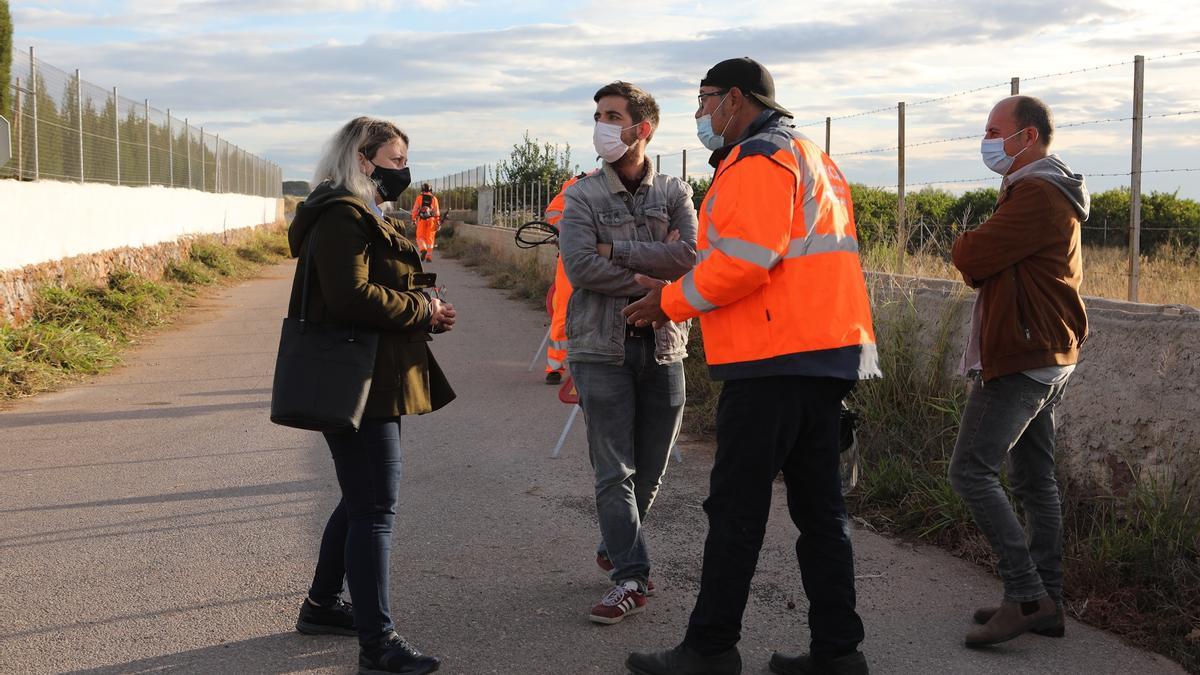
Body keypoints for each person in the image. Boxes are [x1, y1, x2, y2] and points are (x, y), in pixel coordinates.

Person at [624, 57, 880, 675]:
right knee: (822, 515)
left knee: (736, 511)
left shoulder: (756, 160)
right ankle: (837, 653)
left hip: (772, 361)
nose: (700, 113)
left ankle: (710, 648)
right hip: (826, 356)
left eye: (705, 99)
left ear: (736, 99)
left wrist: (667, 301)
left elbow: (743, 262)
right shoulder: (811, 155)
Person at [287, 116, 457, 675]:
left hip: (373, 373)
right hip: (358, 379)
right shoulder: (343, 215)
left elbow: (371, 286)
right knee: (375, 507)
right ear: (363, 159)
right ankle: (377, 643)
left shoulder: (357, 212)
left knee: (359, 499)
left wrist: (425, 307)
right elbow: (349, 297)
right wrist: (422, 309)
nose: (403, 171)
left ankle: (320, 606)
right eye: (395, 159)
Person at [948, 95, 1089, 647]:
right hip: (1048, 350)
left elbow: (971, 256)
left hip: (1024, 352)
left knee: (971, 472)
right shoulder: (1042, 190)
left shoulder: (1034, 194)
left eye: (993, 130)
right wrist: (981, 255)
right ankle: (1046, 602)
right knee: (1034, 479)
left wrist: (971, 247)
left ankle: (1026, 595)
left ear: (1026, 137)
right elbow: (986, 263)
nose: (986, 140)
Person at [559, 81, 698, 625]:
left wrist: (616, 249)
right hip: (600, 349)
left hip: (665, 349)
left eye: (613, 115)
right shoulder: (581, 195)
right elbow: (579, 267)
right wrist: (654, 281)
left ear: (643, 128)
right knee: (612, 470)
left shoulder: (675, 192)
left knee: (653, 468)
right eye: (598, 115)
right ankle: (632, 576)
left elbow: (689, 256)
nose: (602, 124)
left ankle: (617, 542)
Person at [542, 171, 596, 385]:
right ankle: (555, 366)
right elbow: (553, 211)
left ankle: (595, 364)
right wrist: (567, 232)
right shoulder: (578, 182)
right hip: (572, 258)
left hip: (606, 257)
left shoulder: (626, 180)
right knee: (565, 310)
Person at [411, 182, 440, 262]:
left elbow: (415, 210)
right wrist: (437, 221)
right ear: (430, 189)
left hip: (421, 220)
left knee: (420, 237)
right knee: (430, 239)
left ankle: (423, 249)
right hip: (431, 221)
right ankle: (429, 257)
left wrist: (413, 219)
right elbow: (436, 212)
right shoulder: (434, 199)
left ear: (422, 189)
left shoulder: (419, 198)